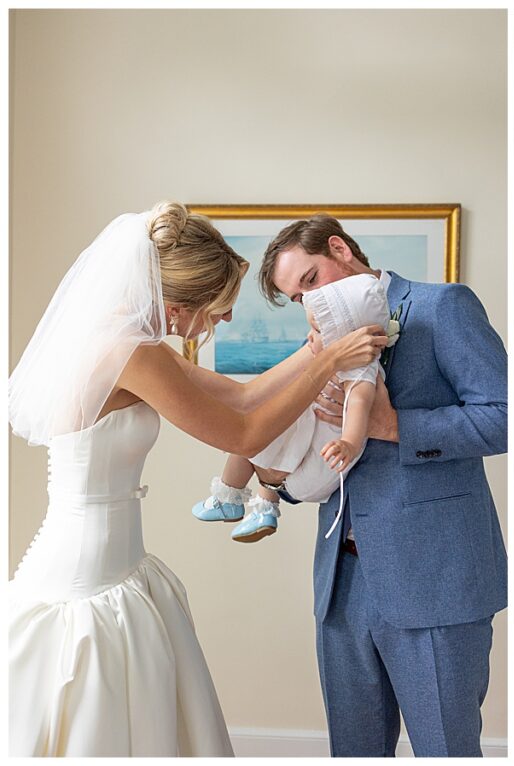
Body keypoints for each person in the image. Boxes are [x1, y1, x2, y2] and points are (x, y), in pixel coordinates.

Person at [7, 202, 388, 757]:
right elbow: (243, 431)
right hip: (85, 572)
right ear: (179, 303)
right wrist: (329, 367)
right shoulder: (130, 353)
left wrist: (316, 352)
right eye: (220, 307)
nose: (225, 320)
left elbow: (239, 393)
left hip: (118, 558)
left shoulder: (125, 341)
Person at [259, 214, 508, 757]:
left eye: (310, 280)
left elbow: (507, 416)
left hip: (436, 576)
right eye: (295, 295)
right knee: (353, 751)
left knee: (445, 748)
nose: (310, 301)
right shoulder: (320, 340)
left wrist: (394, 426)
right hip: (342, 581)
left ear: (340, 248)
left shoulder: (442, 306)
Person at [191, 273, 396, 543]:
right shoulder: (328, 359)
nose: (309, 336)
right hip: (309, 436)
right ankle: (250, 503)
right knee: (260, 429)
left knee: (258, 438)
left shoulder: (360, 371)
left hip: (325, 456)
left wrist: (348, 442)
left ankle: (241, 498)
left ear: (344, 336)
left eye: (319, 331)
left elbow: (358, 405)